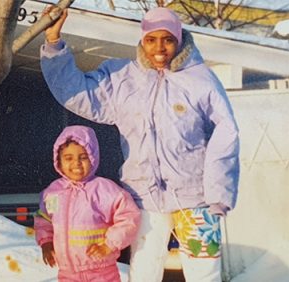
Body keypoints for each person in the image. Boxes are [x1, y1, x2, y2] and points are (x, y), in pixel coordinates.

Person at [40, 6, 240, 282]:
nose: (160, 47)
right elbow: (77, 93)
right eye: (151, 39)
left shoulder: (201, 80)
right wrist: (53, 43)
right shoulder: (122, 78)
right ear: (142, 40)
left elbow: (225, 133)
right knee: (144, 271)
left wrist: (218, 194)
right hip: (144, 197)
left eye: (168, 39)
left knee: (204, 274)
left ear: (180, 39)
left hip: (197, 200)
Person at [34, 125, 140, 282]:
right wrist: (46, 243)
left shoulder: (105, 190)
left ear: (93, 157)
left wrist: (109, 245)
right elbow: (45, 220)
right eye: (68, 158)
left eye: (83, 157)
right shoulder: (53, 192)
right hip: (67, 273)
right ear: (59, 160)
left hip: (102, 272)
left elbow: (129, 218)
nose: (76, 163)